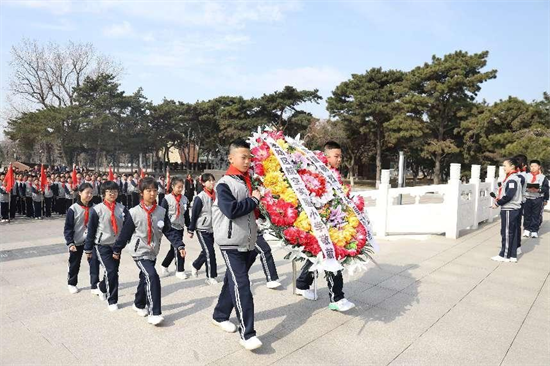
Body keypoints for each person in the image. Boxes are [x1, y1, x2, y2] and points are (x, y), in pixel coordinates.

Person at [211, 139, 263, 351]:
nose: (247, 161)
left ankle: (220, 314)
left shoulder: (248, 181)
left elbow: (254, 211)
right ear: (231, 158)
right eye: (243, 157)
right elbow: (231, 210)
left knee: (232, 281)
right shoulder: (225, 184)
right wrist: (255, 200)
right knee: (242, 285)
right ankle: (247, 334)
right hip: (230, 243)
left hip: (248, 242)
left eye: (249, 157)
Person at [112, 177, 184, 326]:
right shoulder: (133, 213)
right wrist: (117, 250)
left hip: (153, 250)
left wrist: (180, 245)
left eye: (155, 190)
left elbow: (169, 231)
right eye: (148, 190)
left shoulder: (161, 212)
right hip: (139, 251)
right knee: (152, 276)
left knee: (145, 278)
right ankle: (155, 313)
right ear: (141, 192)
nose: (152, 194)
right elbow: (125, 234)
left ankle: (138, 303)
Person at [295, 141, 356, 312]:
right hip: (318, 222)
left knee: (319, 255)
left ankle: (302, 283)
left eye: (340, 156)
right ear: (326, 156)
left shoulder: (334, 174)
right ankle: (337, 298)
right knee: (330, 257)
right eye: (336, 156)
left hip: (332, 221)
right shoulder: (316, 172)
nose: (339, 159)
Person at [84, 181, 129, 311]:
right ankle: (112, 300)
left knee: (113, 271)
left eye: (115, 191)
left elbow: (127, 227)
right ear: (104, 194)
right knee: (111, 271)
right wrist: (88, 248)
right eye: (109, 192)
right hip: (102, 245)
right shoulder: (96, 210)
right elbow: (91, 231)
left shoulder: (122, 209)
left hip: (117, 245)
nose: (113, 194)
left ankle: (102, 287)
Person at [64, 183, 100, 295]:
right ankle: (72, 283)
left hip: (91, 241)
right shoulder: (73, 209)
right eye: (87, 193)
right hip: (77, 241)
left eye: (91, 193)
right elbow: (68, 227)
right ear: (80, 193)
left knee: (94, 263)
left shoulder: (95, 208)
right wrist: (70, 242)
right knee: (75, 263)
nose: (89, 195)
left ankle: (94, 285)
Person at [491, 157, 523, 263]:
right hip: (512, 208)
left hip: (509, 208)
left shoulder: (512, 179)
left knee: (507, 232)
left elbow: (509, 196)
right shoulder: (513, 177)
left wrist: (498, 203)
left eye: (505, 165)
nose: (503, 168)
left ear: (512, 166)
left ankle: (504, 255)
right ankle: (512, 256)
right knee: (512, 232)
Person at [188, 173, 218, 284]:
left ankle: (195, 265)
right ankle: (210, 277)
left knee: (206, 250)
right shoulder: (200, 197)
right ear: (203, 183)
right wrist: (191, 229)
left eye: (213, 180)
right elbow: (194, 214)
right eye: (209, 181)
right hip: (202, 228)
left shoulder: (216, 195)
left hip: (212, 227)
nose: (212, 183)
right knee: (210, 252)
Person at [159, 177, 188, 279]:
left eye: (182, 187)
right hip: (170, 227)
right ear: (172, 187)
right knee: (180, 247)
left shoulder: (184, 199)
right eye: (178, 187)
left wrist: (189, 227)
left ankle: (164, 265)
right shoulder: (166, 199)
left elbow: (186, 214)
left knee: (174, 248)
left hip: (180, 226)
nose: (180, 189)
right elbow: (162, 214)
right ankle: (180, 270)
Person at [523, 160, 549, 238]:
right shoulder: (526, 176)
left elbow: (546, 188)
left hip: (538, 198)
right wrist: (526, 189)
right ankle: (526, 229)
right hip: (527, 198)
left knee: (536, 215)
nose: (533, 168)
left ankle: (534, 230)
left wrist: (544, 198)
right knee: (527, 214)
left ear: (539, 167)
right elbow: (522, 185)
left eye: (535, 166)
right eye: (531, 166)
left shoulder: (543, 177)